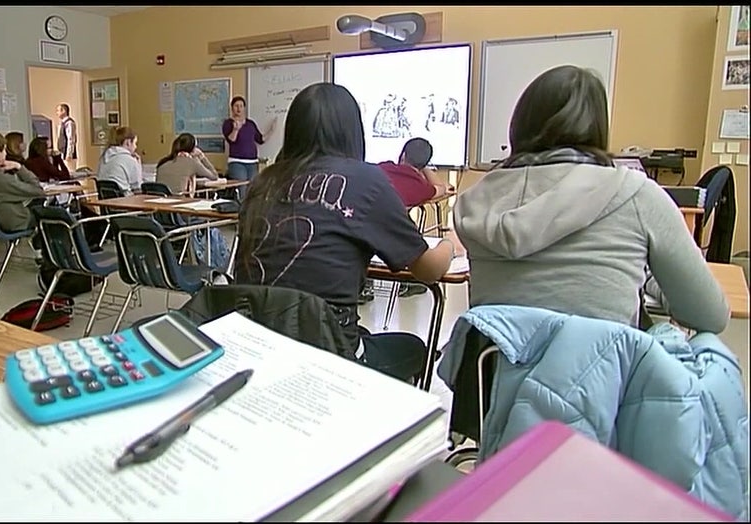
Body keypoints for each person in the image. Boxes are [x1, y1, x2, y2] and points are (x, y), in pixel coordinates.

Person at [453, 65, 729, 333]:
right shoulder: (638, 195)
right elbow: (709, 316)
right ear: (598, 128)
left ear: (519, 125)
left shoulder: (473, 201)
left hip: (493, 374)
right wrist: (650, 280)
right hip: (606, 377)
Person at [234, 82, 455, 383]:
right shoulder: (366, 180)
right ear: (353, 131)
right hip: (329, 350)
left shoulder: (263, 183)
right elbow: (428, 270)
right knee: (413, 348)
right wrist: (449, 244)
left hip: (255, 342)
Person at [374, 137, 457, 299]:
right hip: (390, 234)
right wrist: (424, 169)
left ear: (403, 155)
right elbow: (444, 189)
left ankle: (367, 288)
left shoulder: (383, 168)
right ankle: (407, 284)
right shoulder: (421, 187)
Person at [222, 96, 275, 197]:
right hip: (237, 162)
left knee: (253, 189)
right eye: (236, 106)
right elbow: (231, 140)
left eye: (241, 106)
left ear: (244, 108)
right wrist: (236, 129)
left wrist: (271, 130)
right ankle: (241, 211)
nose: (239, 108)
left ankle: (250, 211)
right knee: (242, 188)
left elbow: (260, 139)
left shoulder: (250, 124)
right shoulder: (228, 123)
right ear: (232, 108)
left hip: (252, 162)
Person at [97, 127, 142, 195]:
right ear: (128, 142)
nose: (135, 147)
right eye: (135, 143)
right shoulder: (130, 160)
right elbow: (137, 187)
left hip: (106, 202)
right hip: (125, 201)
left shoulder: (103, 157)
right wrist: (138, 166)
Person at [55, 103, 78, 171]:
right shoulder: (62, 124)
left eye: (58, 110)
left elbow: (71, 139)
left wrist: (69, 154)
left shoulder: (69, 123)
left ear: (64, 111)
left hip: (68, 155)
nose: (57, 113)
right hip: (62, 153)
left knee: (69, 172)